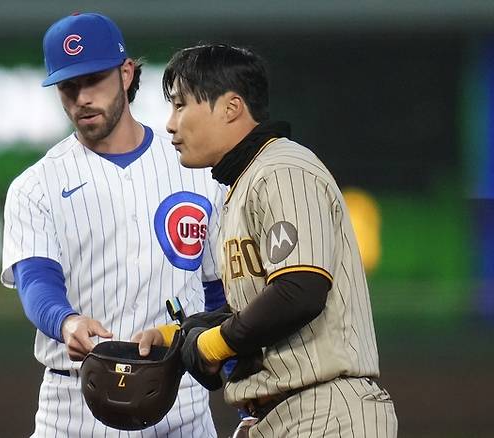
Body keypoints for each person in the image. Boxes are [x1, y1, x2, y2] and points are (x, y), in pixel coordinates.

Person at [135, 44, 398, 437]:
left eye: (181, 105)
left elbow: (299, 289)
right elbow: (256, 305)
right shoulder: (240, 187)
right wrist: (180, 335)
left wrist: (211, 347)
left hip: (325, 411)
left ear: (231, 107)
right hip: (285, 415)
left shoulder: (282, 169)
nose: (170, 123)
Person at [0, 14, 226, 437]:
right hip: (72, 410)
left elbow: (219, 293)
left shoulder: (195, 170)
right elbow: (36, 280)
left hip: (182, 407)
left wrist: (244, 388)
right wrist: (65, 321)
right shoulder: (37, 185)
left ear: (126, 74)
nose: (81, 97)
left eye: (93, 80)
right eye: (68, 86)